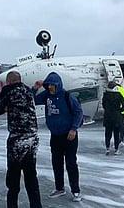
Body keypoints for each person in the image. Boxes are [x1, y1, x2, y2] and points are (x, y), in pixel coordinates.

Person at [0, 71, 42, 208]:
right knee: (31, 176)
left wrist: (3, 97)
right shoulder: (27, 90)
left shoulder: (8, 90)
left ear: (8, 81)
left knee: (13, 180)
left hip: (17, 139)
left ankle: (12, 205)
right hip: (32, 137)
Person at [32, 72, 83, 202]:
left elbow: (78, 113)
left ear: (58, 85)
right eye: (48, 85)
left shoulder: (67, 97)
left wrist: (73, 129)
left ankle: (76, 190)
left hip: (69, 135)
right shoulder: (46, 96)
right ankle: (59, 188)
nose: (50, 87)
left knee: (71, 163)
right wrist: (35, 88)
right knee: (56, 163)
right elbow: (32, 100)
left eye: (52, 85)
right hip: (55, 135)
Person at [102, 81, 124, 155]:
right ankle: (116, 149)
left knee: (107, 133)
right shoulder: (118, 95)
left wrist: (107, 110)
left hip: (108, 116)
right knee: (116, 134)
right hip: (116, 116)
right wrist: (120, 111)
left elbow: (103, 105)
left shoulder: (105, 95)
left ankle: (107, 148)